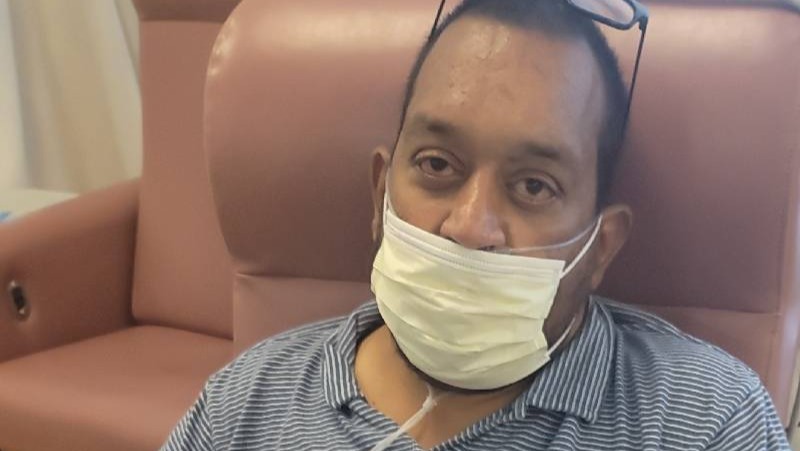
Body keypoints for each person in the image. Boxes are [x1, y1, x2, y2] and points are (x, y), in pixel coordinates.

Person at [162, 0, 790, 449]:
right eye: (437, 164)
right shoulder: (242, 409)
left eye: (534, 186)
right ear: (381, 192)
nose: (469, 227)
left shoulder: (708, 422)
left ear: (601, 247)